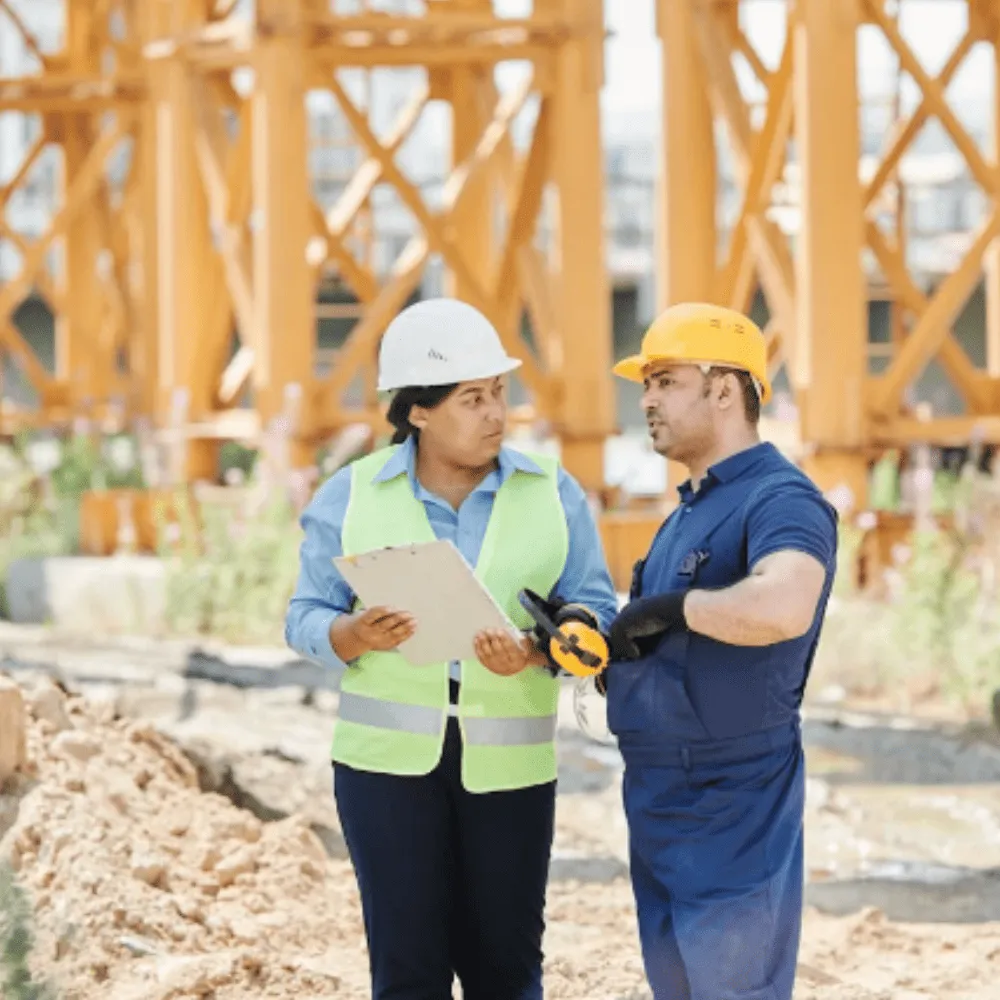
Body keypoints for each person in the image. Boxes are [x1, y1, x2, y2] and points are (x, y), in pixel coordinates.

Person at [285, 297, 618, 1000]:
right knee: (408, 972)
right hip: (385, 776)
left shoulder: (552, 493)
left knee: (506, 971)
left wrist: (539, 652)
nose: (497, 413)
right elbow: (304, 616)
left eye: (499, 393)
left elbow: (598, 612)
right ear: (419, 412)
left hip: (511, 774)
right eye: (473, 398)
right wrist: (349, 635)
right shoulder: (350, 497)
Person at [603, 302, 839, 1000]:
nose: (646, 399)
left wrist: (675, 608)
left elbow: (784, 603)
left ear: (725, 388)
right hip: (657, 794)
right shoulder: (686, 511)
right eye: (644, 383)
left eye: (665, 380)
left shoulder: (780, 499)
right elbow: (661, 645)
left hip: (734, 798)